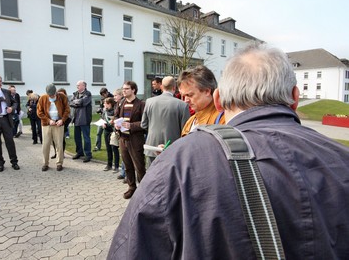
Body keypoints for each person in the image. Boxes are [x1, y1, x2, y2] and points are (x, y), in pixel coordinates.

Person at [108, 44, 349, 259]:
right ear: (295, 98)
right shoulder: (342, 159)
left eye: (190, 95)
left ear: (218, 97)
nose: (187, 100)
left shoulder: (182, 162)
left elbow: (133, 247)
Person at [141, 76, 190, 166]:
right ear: (174, 88)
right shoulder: (182, 105)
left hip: (153, 146)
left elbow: (143, 124)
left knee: (152, 176)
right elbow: (186, 131)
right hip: (173, 148)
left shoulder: (149, 102)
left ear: (162, 87)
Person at [115, 81, 146, 199]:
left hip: (135, 140)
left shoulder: (141, 104)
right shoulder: (121, 103)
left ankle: (143, 190)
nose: (124, 91)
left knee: (139, 166)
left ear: (133, 90)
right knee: (127, 165)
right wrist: (116, 123)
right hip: (123, 139)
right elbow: (116, 116)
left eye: (127, 89)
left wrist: (131, 125)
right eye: (123, 89)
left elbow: (145, 123)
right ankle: (132, 187)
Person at [178, 65, 225, 137]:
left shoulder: (223, 118)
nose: (186, 100)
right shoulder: (190, 121)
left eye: (190, 95)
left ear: (207, 91)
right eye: (183, 96)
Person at [37, 84, 70, 171]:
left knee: (59, 144)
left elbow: (67, 109)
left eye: (53, 94)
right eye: (50, 95)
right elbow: (39, 112)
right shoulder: (43, 98)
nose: (52, 96)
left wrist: (62, 120)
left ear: (56, 92)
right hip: (47, 124)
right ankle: (45, 163)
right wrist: (48, 120)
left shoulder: (62, 97)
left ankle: (59, 163)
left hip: (59, 124)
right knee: (46, 144)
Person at [69, 80, 93, 163]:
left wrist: (77, 102)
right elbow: (70, 102)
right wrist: (77, 102)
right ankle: (79, 152)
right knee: (77, 137)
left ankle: (88, 154)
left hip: (84, 119)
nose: (77, 87)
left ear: (84, 86)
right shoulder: (75, 93)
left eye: (78, 85)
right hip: (76, 119)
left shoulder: (88, 93)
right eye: (77, 85)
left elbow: (83, 102)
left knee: (86, 138)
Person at [50, 88, 71, 160]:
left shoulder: (65, 101)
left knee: (61, 139)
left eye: (62, 93)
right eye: (59, 93)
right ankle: (56, 153)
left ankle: (61, 153)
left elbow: (67, 111)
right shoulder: (55, 100)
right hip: (54, 121)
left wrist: (62, 120)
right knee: (53, 139)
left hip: (63, 121)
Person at [101, 97, 120, 172]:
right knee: (108, 148)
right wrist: (103, 123)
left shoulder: (115, 111)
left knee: (114, 149)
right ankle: (109, 164)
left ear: (110, 104)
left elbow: (116, 120)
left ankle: (116, 166)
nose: (104, 104)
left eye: (105, 103)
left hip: (113, 131)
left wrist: (113, 122)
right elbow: (102, 118)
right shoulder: (104, 111)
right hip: (106, 130)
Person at [112, 88, 126, 181]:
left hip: (126, 130)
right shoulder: (117, 104)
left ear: (121, 95)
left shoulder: (124, 103)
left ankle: (127, 174)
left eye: (115, 95)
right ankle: (123, 172)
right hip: (119, 130)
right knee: (123, 154)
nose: (114, 97)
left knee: (126, 155)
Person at [94, 87, 113, 152]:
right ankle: (97, 146)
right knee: (98, 133)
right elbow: (101, 106)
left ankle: (112, 146)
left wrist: (103, 109)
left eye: (103, 94)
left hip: (108, 119)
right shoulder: (102, 98)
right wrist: (99, 110)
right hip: (102, 117)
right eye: (101, 95)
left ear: (106, 93)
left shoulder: (112, 98)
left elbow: (111, 109)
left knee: (109, 134)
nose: (102, 96)